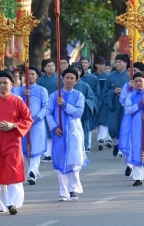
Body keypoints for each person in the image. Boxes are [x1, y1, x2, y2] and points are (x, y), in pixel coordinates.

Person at [0, 70, 33, 215]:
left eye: (6, 83)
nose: (3, 85)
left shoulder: (17, 101)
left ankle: (12, 203)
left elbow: (27, 119)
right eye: (0, 83)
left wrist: (13, 125)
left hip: (13, 141)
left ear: (12, 84)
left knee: (14, 171)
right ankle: (1, 204)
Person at [46, 67, 88, 201]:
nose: (69, 80)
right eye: (67, 78)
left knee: (74, 160)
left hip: (74, 131)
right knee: (61, 159)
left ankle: (73, 189)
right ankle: (63, 191)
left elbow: (78, 113)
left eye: (72, 78)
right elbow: (48, 112)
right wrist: (53, 127)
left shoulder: (79, 96)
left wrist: (64, 104)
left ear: (76, 81)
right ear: (62, 79)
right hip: (59, 131)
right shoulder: (54, 95)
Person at [13, 65, 48, 185]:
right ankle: (32, 171)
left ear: (37, 76)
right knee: (26, 150)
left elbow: (45, 107)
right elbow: (13, 103)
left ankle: (32, 172)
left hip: (37, 124)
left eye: (33, 74)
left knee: (36, 149)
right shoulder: (18, 90)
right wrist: (22, 94)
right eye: (28, 74)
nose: (31, 76)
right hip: (22, 124)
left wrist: (35, 118)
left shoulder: (42, 90)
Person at [100, 55, 130, 153]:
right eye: (116, 62)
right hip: (113, 104)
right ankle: (116, 144)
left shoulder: (130, 76)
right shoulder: (111, 76)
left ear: (125, 63)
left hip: (125, 106)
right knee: (113, 127)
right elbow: (104, 91)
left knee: (124, 125)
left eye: (120, 62)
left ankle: (122, 149)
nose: (117, 64)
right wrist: (113, 91)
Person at [36, 59, 59, 162]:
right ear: (44, 68)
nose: (51, 67)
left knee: (55, 127)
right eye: (49, 66)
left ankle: (55, 153)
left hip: (56, 106)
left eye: (53, 65)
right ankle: (47, 154)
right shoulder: (40, 81)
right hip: (45, 107)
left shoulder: (60, 79)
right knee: (46, 129)